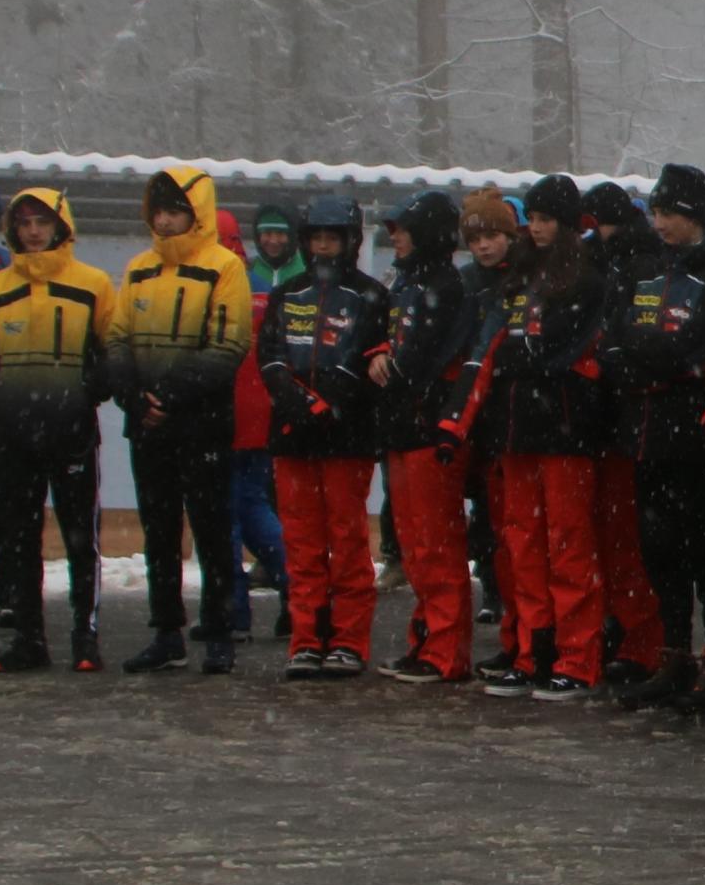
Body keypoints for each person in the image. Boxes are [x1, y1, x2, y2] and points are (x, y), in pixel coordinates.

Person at [464, 175, 614, 701]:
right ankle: (533, 651)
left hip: (564, 428)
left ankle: (577, 657)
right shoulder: (521, 275)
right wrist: (516, 356)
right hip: (518, 428)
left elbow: (556, 350)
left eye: (548, 218)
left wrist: (515, 356)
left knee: (568, 545)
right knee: (522, 543)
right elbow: (508, 344)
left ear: (567, 222)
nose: (539, 227)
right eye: (534, 218)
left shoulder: (587, 279)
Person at [618, 164, 705, 711]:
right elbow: (618, 336)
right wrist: (644, 356)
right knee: (660, 549)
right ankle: (674, 652)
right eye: (655, 211)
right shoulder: (649, 269)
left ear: (695, 215)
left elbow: (694, 348)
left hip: (697, 435)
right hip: (649, 431)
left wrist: (648, 356)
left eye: (669, 212)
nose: (660, 222)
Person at [113, 168, 254, 675]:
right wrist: (133, 399)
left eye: (176, 211)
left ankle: (218, 632)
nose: (166, 221)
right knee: (159, 532)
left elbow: (229, 345)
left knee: (212, 531)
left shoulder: (224, 267)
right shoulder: (138, 270)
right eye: (159, 211)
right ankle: (166, 632)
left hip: (202, 423)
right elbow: (116, 339)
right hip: (149, 426)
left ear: (197, 213)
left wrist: (168, 395)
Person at [0, 186, 114, 672]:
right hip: (13, 435)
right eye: (24, 223)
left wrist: (87, 391)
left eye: (42, 222)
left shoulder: (92, 284)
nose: (33, 232)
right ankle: (28, 638)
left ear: (60, 226)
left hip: (72, 433)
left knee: (80, 538)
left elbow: (111, 350)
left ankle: (85, 636)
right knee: (17, 540)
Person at [258, 194, 390, 679]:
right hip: (292, 435)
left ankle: (350, 642)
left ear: (350, 241)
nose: (323, 246)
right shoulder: (287, 293)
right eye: (316, 237)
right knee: (302, 545)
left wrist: (329, 402)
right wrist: (296, 401)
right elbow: (269, 356)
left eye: (332, 237)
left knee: (347, 542)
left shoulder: (371, 295)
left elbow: (368, 361)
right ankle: (307, 640)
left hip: (346, 437)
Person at [370, 191, 484, 685]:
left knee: (437, 544)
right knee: (416, 545)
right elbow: (385, 341)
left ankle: (447, 650)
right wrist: (378, 355)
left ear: (429, 233)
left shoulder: (447, 286)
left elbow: (424, 360)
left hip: (428, 429)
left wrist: (393, 373)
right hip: (403, 427)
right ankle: (427, 639)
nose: (395, 237)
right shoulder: (405, 283)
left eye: (404, 228)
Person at [575, 182, 668, 692]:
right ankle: (629, 631)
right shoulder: (614, 262)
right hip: (610, 417)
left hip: (618, 418)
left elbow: (626, 334)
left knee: (622, 538)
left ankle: (639, 636)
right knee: (615, 537)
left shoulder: (625, 265)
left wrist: (610, 362)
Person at [229, 200, 301, 642]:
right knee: (255, 503)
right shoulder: (251, 279)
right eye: (266, 233)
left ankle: (248, 603)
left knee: (247, 506)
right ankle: (294, 591)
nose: (272, 240)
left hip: (266, 408)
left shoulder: (294, 280)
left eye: (280, 232)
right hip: (261, 408)